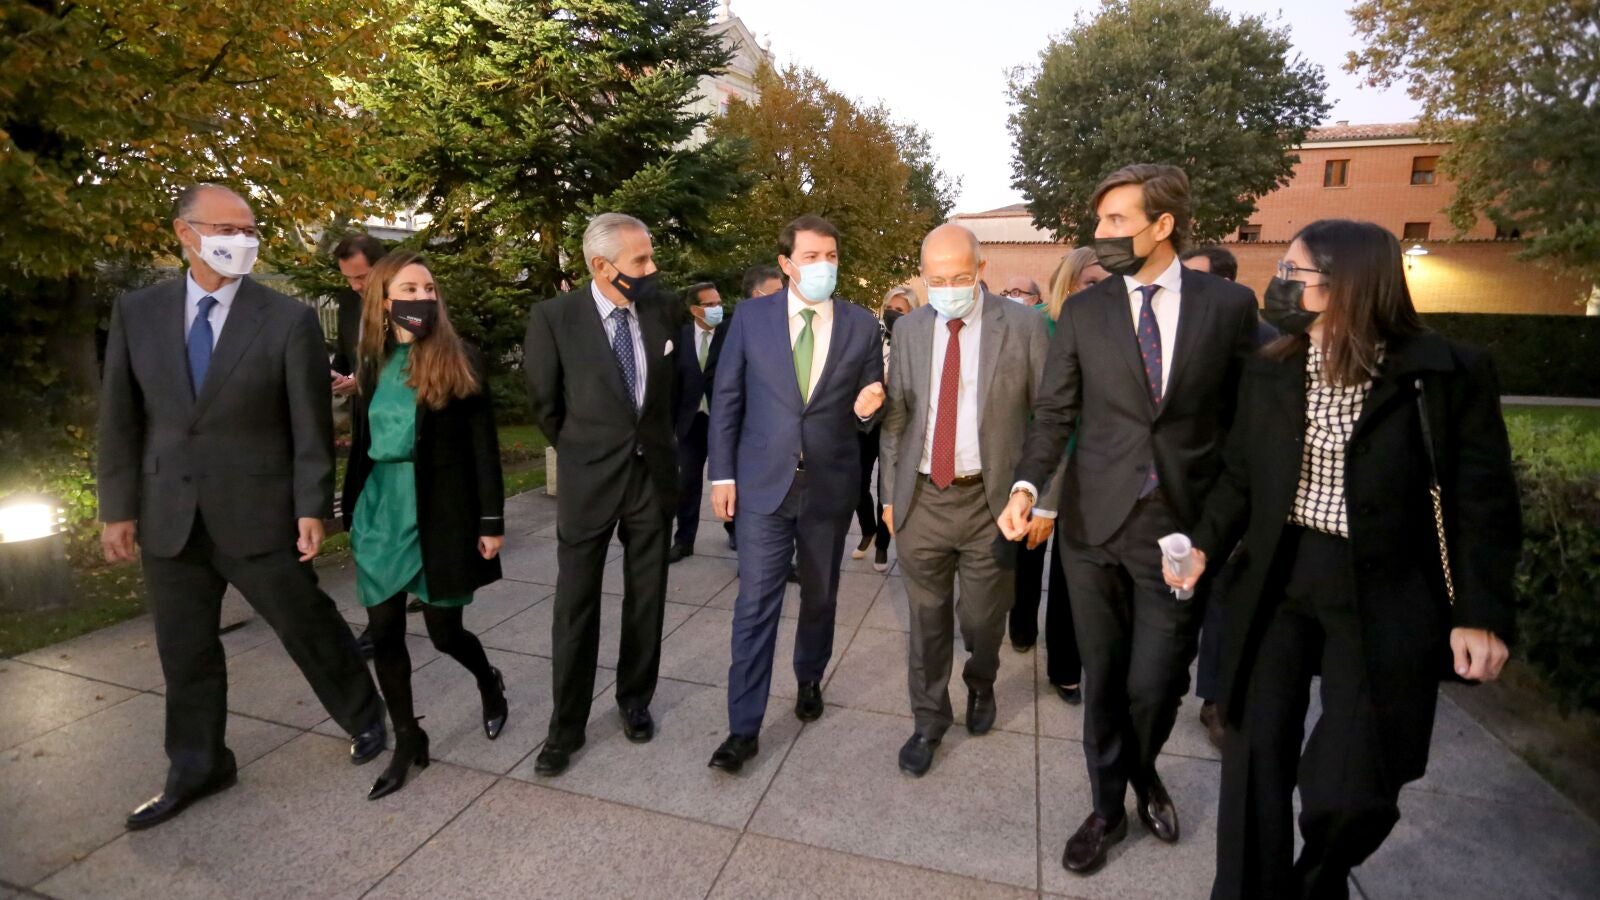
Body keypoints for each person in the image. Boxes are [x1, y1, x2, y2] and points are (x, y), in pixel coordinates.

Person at [1165, 219, 1519, 899]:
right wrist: (1204, 543)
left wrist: (1481, 614)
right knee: (1254, 752)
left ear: (1344, 283)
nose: (1279, 284)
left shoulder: (1443, 374)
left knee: (1354, 786)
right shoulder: (1272, 367)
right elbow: (1239, 475)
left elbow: (1484, 504)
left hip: (1386, 587)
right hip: (1279, 575)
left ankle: (1317, 880)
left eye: (1292, 273)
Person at [98, 184, 386, 831]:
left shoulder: (285, 318)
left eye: (250, 229)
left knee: (306, 622)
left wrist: (312, 505)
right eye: (227, 228)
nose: (243, 241)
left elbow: (309, 426)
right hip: (169, 513)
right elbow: (120, 417)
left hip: (257, 509)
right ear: (185, 233)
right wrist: (117, 508)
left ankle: (365, 715)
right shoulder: (138, 312)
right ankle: (199, 766)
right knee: (185, 651)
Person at [998, 164, 1258, 875]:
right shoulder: (1086, 311)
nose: (1101, 233)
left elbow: (1245, 429)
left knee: (1157, 684)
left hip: (1179, 534)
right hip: (1092, 528)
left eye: (1116, 221)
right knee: (1106, 678)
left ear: (1162, 224)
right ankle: (1108, 807)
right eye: (1100, 220)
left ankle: (1141, 767)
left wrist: (1217, 532)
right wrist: (1027, 485)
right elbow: (1054, 412)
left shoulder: (1229, 307)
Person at [706, 215, 886, 773]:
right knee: (755, 604)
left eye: (831, 256)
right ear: (786, 263)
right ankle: (743, 728)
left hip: (829, 486)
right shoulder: (751, 318)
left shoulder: (860, 324)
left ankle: (810, 676)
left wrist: (868, 409)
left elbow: (870, 402)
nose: (824, 266)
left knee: (821, 596)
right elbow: (727, 397)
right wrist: (722, 476)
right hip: (763, 485)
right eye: (811, 257)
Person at [879, 224, 1060, 776]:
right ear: (922, 276)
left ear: (982, 270)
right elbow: (897, 419)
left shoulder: (1024, 327)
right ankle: (928, 720)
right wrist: (889, 494)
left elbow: (1050, 418)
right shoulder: (910, 329)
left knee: (983, 619)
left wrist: (1044, 500)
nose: (948, 289)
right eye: (937, 279)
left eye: (960, 277)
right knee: (926, 620)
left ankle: (982, 680)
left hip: (992, 503)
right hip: (922, 500)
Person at [341, 252, 509, 800]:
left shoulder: (460, 357)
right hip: (381, 511)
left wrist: (490, 520)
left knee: (444, 633)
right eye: (410, 289)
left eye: (429, 288)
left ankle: (488, 680)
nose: (423, 297)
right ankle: (409, 738)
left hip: (440, 511)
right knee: (385, 632)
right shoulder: (371, 361)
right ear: (385, 299)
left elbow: (483, 447)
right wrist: (349, 507)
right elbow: (363, 441)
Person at [524, 213, 678, 776]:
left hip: (650, 479)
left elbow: (676, 390)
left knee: (647, 598)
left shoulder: (661, 308)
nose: (651, 268)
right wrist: (583, 452)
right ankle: (566, 727)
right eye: (641, 260)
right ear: (601, 266)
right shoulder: (555, 318)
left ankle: (634, 700)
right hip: (589, 482)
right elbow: (544, 405)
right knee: (575, 606)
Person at [1180, 243, 1274, 748]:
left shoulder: (1269, 342)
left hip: (1239, 491)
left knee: (1224, 594)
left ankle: (1216, 699)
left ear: (1227, 285)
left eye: (1196, 279)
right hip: (1182, 486)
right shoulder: (1172, 333)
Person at [1008, 247, 1107, 703]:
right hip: (1035, 464)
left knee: (1072, 575)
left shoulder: (1111, 331)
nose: (1101, 292)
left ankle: (1066, 668)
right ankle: (1022, 626)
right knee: (1026, 555)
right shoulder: (1037, 326)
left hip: (1088, 471)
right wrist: (1041, 494)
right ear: (1069, 282)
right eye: (1092, 283)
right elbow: (1038, 411)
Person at [669, 281, 733, 563]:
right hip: (691, 423)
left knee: (731, 479)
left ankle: (734, 531)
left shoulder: (731, 334)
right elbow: (672, 382)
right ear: (695, 310)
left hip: (724, 423)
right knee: (686, 482)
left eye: (718, 303)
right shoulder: (680, 337)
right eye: (710, 305)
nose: (717, 308)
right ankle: (684, 541)